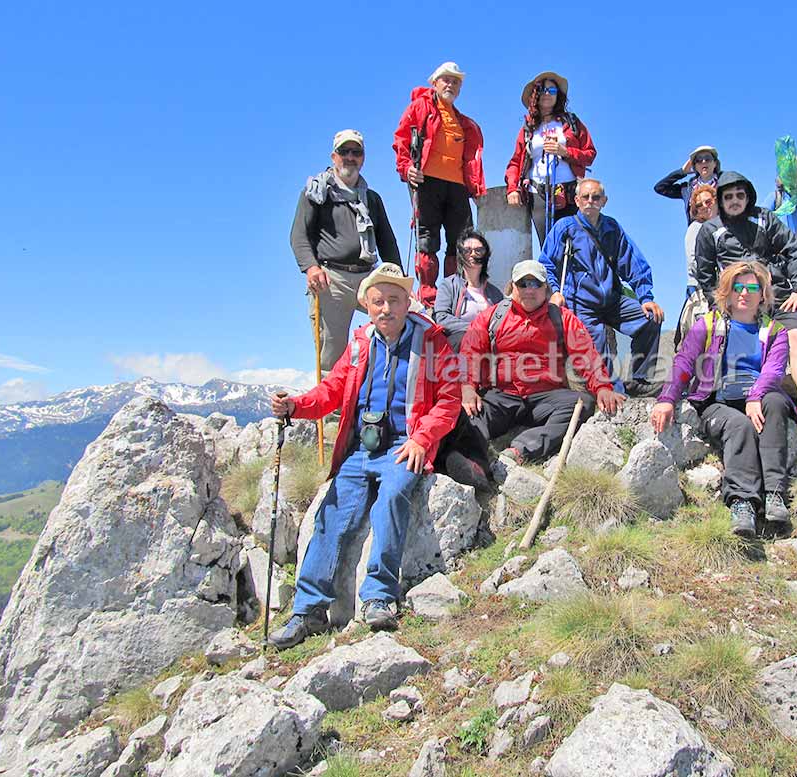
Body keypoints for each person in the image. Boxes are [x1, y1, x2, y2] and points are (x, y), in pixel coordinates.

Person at [267, 264, 461, 647]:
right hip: (361, 449)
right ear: (367, 307)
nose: (385, 308)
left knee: (392, 499)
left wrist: (422, 439)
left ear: (408, 302)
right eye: (378, 302)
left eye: (393, 300)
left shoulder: (432, 342)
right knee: (333, 513)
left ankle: (379, 597)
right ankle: (307, 611)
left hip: (404, 444)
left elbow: (449, 400)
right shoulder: (359, 345)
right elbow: (331, 392)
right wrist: (295, 406)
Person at [652, 261, 796, 538]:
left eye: (752, 287)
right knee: (739, 425)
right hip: (716, 401)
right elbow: (684, 361)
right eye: (737, 287)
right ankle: (742, 503)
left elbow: (774, 370)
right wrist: (667, 398)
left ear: (763, 294)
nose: (744, 293)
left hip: (760, 395)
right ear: (726, 293)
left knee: (776, 404)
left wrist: (756, 396)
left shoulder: (775, 330)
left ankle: (775, 493)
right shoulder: (708, 324)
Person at [459, 260, 625, 463]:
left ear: (545, 287)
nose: (529, 290)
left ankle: (521, 451)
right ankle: (476, 462)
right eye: (523, 284)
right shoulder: (493, 316)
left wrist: (602, 387)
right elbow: (470, 351)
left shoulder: (563, 318)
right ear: (513, 287)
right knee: (468, 413)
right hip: (501, 395)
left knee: (582, 404)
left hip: (546, 397)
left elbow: (586, 355)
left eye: (535, 283)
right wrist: (468, 387)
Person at [694, 171, 797, 421]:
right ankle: (731, 400)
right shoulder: (710, 229)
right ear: (720, 199)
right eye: (728, 196)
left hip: (777, 292)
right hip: (738, 298)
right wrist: (717, 304)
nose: (734, 200)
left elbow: (792, 250)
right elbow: (704, 272)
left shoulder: (765, 218)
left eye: (739, 195)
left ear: (748, 196)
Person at [538, 178, 665, 397]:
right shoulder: (565, 228)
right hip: (581, 303)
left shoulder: (612, 227)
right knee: (596, 341)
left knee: (650, 318)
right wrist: (555, 291)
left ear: (604, 201)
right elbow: (546, 264)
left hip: (612, 300)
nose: (590, 201)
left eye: (596, 197)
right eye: (585, 197)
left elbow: (634, 263)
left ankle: (639, 380)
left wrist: (645, 297)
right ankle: (613, 392)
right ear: (576, 200)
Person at [290, 129, 402, 374]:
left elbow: (387, 243)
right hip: (332, 278)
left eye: (356, 152)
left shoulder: (372, 199)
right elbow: (299, 236)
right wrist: (311, 268)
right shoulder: (316, 193)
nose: (350, 157)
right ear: (334, 156)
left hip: (369, 275)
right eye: (344, 151)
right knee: (332, 351)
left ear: (363, 158)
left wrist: (400, 283)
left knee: (406, 322)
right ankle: (330, 411)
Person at [394, 62, 485, 307]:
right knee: (427, 239)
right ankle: (429, 296)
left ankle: (454, 294)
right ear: (434, 82)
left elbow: (472, 159)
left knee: (461, 241)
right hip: (428, 182)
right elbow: (402, 139)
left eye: (456, 82)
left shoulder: (464, 122)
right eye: (446, 80)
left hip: (457, 187)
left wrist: (476, 188)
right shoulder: (418, 108)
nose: (451, 85)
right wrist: (406, 168)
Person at [505, 71, 597, 246]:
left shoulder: (572, 123)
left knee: (574, 245)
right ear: (535, 95)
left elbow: (590, 154)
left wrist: (566, 152)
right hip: (538, 193)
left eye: (552, 91)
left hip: (569, 193)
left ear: (559, 96)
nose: (547, 94)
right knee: (548, 245)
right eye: (543, 90)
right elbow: (516, 161)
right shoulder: (528, 128)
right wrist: (512, 189)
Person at [433, 229, 504, 351]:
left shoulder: (495, 294)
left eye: (479, 250)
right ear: (460, 254)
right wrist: (475, 329)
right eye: (467, 250)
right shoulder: (448, 285)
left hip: (488, 346)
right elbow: (441, 317)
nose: (473, 254)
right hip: (459, 346)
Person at [654, 145, 721, 223]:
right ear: (695, 166)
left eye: (708, 159)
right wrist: (682, 172)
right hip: (699, 231)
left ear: (715, 163)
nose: (703, 161)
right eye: (698, 160)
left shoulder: (726, 182)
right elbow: (660, 188)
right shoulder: (687, 189)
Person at [685, 184, 718, 299]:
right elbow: (693, 262)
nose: (704, 206)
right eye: (699, 205)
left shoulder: (726, 226)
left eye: (708, 202)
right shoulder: (695, 228)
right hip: (700, 289)